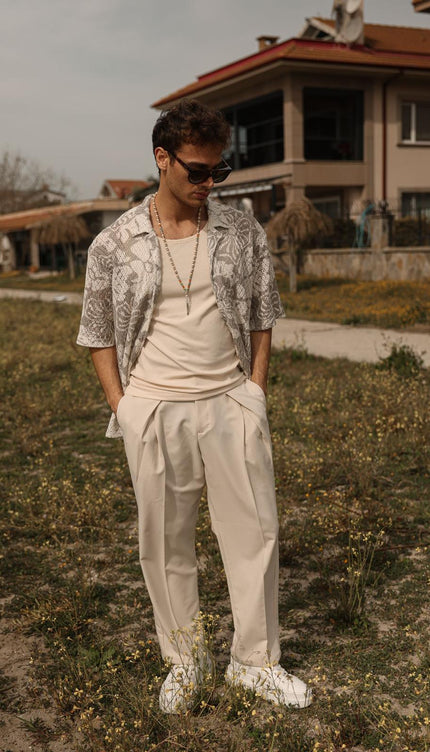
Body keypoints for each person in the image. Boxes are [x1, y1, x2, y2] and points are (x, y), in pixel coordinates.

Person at [77, 99, 311, 714]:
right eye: (198, 171)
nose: (210, 183)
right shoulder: (114, 243)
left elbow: (262, 314)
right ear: (163, 159)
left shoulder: (242, 231)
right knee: (164, 541)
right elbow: (97, 332)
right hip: (154, 408)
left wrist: (254, 390)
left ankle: (255, 662)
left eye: (219, 172)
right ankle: (186, 660)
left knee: (255, 532)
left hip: (231, 400)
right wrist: (124, 406)